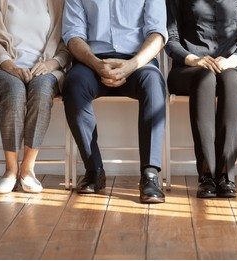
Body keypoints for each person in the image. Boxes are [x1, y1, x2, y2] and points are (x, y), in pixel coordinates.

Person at [62, 0, 168, 203]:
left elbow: (157, 33)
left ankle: (150, 175)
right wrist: (96, 63)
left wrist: (131, 65)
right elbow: (72, 35)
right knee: (73, 85)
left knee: (154, 83)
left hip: (137, 62)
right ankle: (94, 170)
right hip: (93, 62)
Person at [165, 0, 237, 199]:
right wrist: (194, 60)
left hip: (233, 66)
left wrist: (232, 61)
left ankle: (225, 176)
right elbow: (171, 39)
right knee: (205, 78)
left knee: (230, 80)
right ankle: (207, 175)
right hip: (188, 68)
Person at [0, 0, 70, 194]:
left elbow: (67, 43)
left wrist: (52, 64)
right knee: (14, 91)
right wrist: (10, 65)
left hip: (45, 70)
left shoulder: (58, 2)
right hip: (1, 68)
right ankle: (10, 171)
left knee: (42, 92)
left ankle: (28, 170)